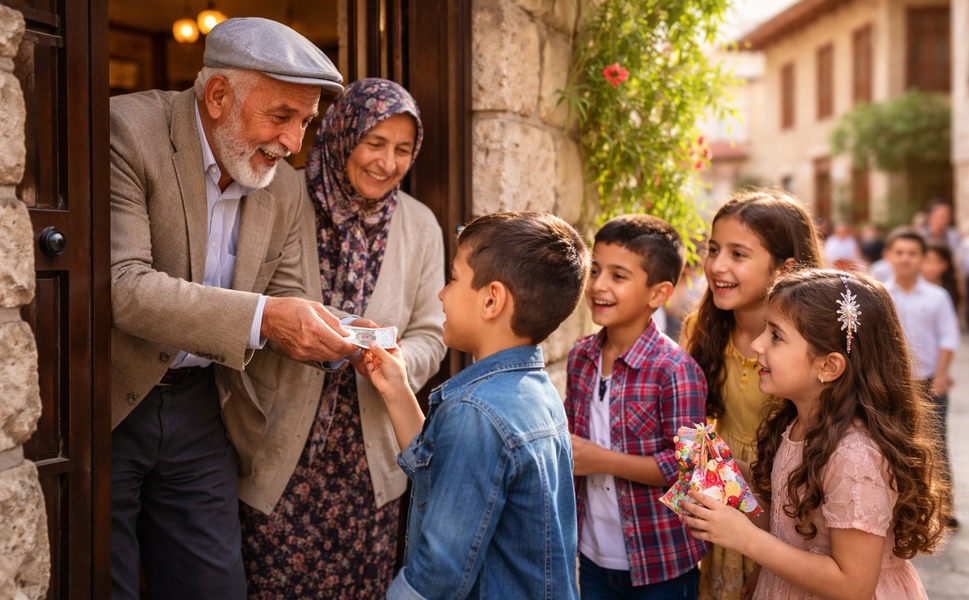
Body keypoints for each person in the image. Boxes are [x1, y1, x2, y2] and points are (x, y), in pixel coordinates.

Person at [109, 18, 360, 599]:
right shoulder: (126, 130)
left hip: (204, 411)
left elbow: (291, 298)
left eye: (305, 121)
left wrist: (334, 330)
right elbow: (123, 286)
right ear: (218, 95)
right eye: (281, 116)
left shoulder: (286, 185)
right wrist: (267, 317)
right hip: (110, 402)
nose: (295, 143)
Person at [239, 79, 447, 598]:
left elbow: (432, 332)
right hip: (279, 452)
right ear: (341, 135)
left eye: (403, 150)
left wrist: (393, 361)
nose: (387, 162)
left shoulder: (420, 225)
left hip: (369, 462)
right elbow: (247, 296)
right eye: (375, 143)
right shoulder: (280, 195)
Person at [679, 269, 950, 599]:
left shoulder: (855, 456)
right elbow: (790, 525)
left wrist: (746, 539)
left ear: (828, 366)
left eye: (776, 335)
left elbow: (854, 584)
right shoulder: (797, 425)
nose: (757, 344)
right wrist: (725, 470)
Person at [363, 212, 588, 599]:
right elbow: (447, 481)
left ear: (491, 299)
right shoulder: (535, 392)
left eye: (452, 279)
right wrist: (397, 390)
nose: (441, 294)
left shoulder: (477, 412)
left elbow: (438, 570)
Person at [680, 190, 821, 600]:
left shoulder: (805, 351)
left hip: (791, 516)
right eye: (713, 249)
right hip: (724, 507)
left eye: (738, 254)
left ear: (785, 269)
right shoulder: (700, 328)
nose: (716, 265)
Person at [565, 214, 708, 598]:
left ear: (658, 294)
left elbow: (689, 469)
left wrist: (601, 460)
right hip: (593, 558)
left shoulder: (677, 371)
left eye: (618, 276)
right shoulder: (580, 356)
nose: (598, 285)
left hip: (661, 566)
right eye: (595, 270)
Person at [883, 227, 960, 529]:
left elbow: (949, 336)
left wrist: (941, 375)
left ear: (922, 258)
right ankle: (902, 509)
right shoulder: (881, 295)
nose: (905, 259)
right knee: (895, 445)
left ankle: (943, 507)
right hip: (892, 384)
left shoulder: (937, 296)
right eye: (899, 252)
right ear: (889, 256)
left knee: (935, 445)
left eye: (912, 253)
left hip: (929, 382)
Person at [922, 240, 963, 316]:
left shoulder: (949, 292)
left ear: (944, 264)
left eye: (930, 261)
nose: (926, 266)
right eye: (923, 261)